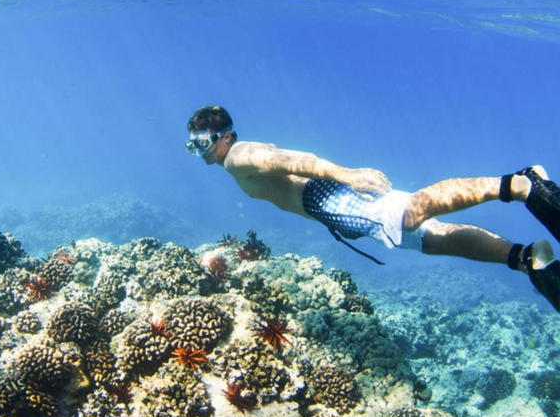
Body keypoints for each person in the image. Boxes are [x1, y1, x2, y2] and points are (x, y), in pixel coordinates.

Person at [185, 105, 560, 312]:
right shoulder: (242, 152)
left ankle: (519, 184)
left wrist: (346, 174)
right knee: (430, 239)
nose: (199, 151)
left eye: (202, 143)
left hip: (329, 200)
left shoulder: (238, 156)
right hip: (331, 207)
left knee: (412, 213)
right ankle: (525, 257)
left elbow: (296, 160)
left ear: (225, 136)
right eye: (192, 146)